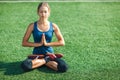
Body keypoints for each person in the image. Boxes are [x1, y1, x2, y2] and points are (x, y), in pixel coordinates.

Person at [21, 2, 68, 72]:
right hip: (37, 55)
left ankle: (42, 62)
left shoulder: (54, 26)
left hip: (49, 54)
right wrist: (39, 44)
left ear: (49, 12)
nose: (43, 14)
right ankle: (46, 60)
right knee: (25, 65)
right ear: (38, 12)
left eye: (45, 12)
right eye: (41, 12)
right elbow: (24, 43)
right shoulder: (32, 26)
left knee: (64, 67)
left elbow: (62, 42)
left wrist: (47, 44)